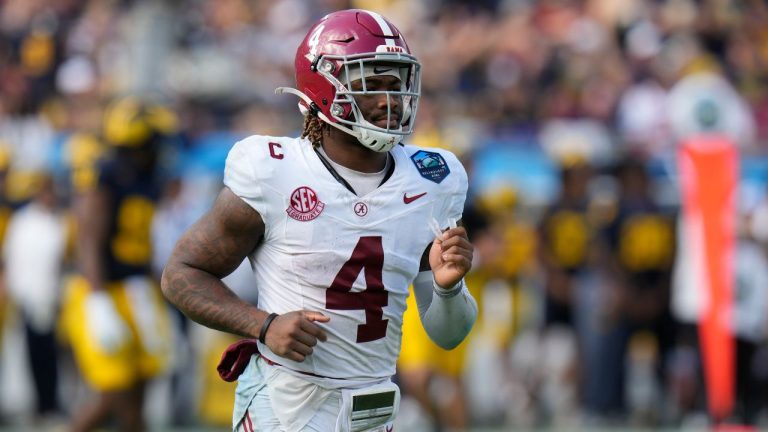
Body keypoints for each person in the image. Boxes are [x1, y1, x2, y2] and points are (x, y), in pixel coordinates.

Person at [161, 9, 478, 432]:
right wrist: (263, 325)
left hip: (374, 408)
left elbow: (448, 335)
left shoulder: (433, 180)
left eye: (396, 85)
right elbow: (181, 273)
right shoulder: (275, 172)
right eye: (371, 86)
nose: (389, 101)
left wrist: (449, 287)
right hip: (286, 400)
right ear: (324, 89)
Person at [62, 97, 175, 432]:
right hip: (99, 289)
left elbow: (145, 244)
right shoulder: (105, 174)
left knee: (143, 385)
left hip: (135, 288)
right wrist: (98, 299)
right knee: (113, 393)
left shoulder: (148, 177)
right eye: (156, 139)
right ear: (139, 142)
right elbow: (89, 239)